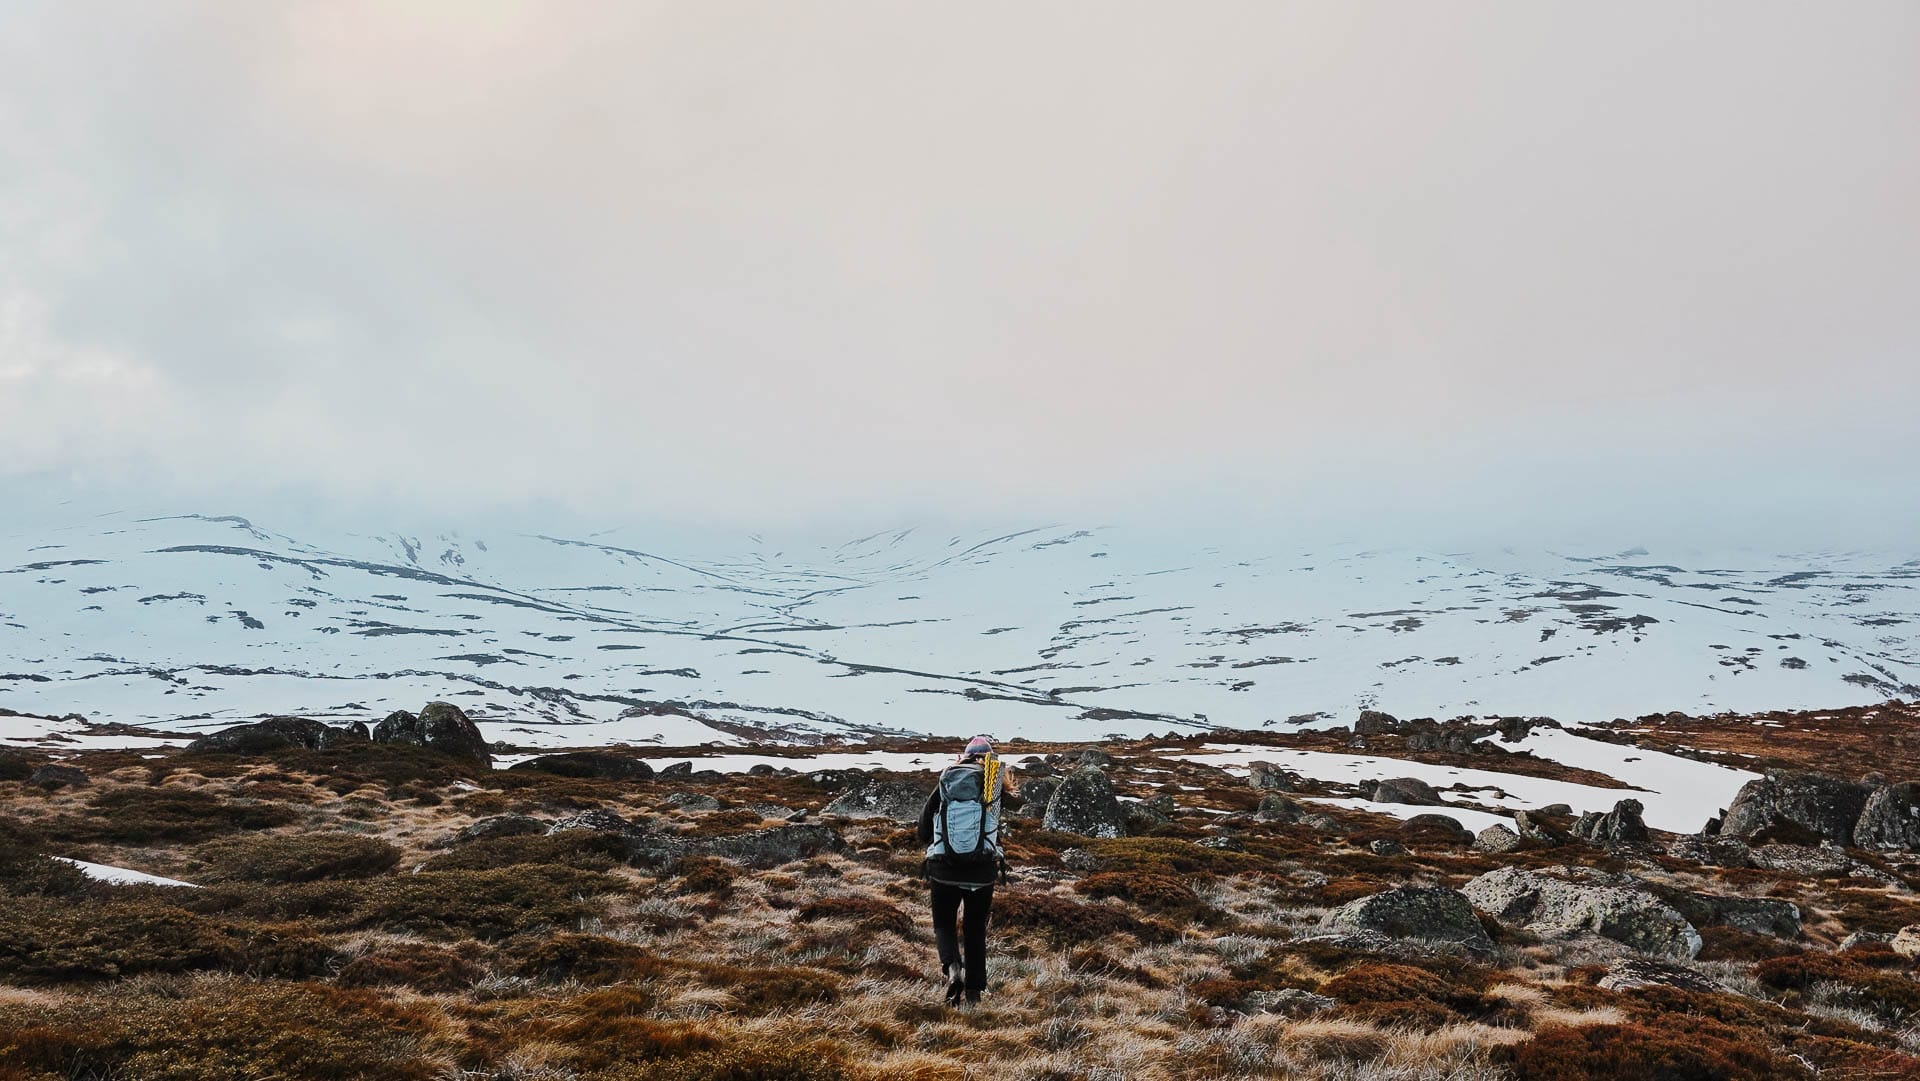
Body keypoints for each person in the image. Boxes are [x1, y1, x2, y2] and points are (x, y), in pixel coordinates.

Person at [917, 734, 1022, 1006]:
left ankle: (953, 970)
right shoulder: (992, 787)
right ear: (990, 760)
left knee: (943, 924)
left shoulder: (946, 781)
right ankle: (974, 994)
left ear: (964, 756)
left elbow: (923, 831)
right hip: (981, 871)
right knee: (975, 929)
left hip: (944, 869)